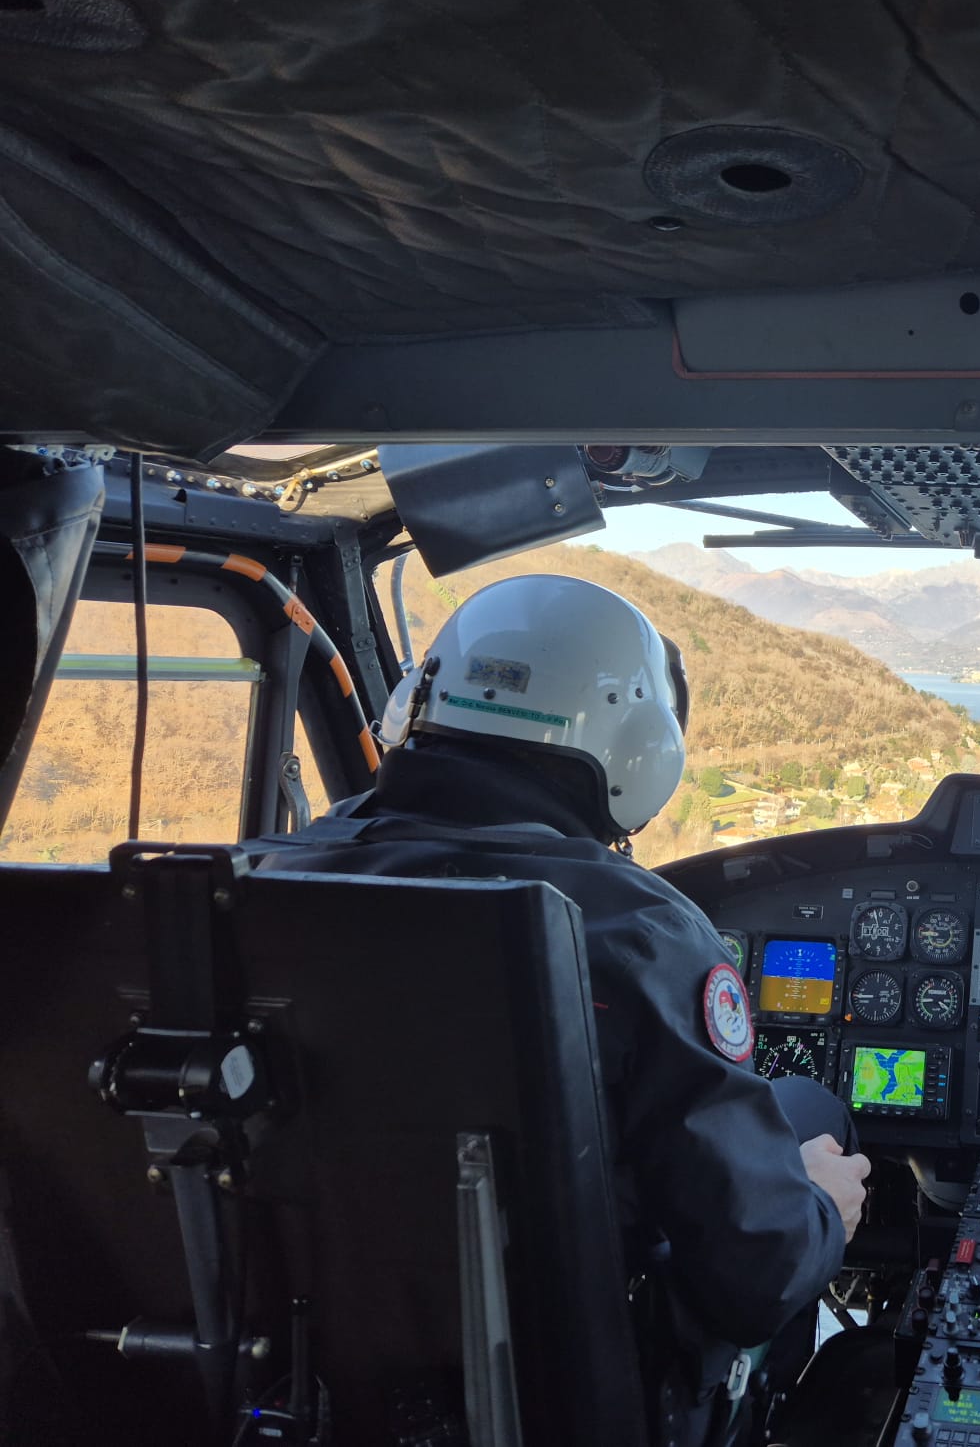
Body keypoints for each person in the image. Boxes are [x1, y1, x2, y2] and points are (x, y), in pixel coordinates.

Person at [251, 573, 868, 1445]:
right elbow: (754, 1276)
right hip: (571, 1396)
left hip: (309, 1381)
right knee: (811, 1119)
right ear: (641, 746)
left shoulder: (260, 879)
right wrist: (819, 1212)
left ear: (415, 705)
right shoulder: (637, 929)